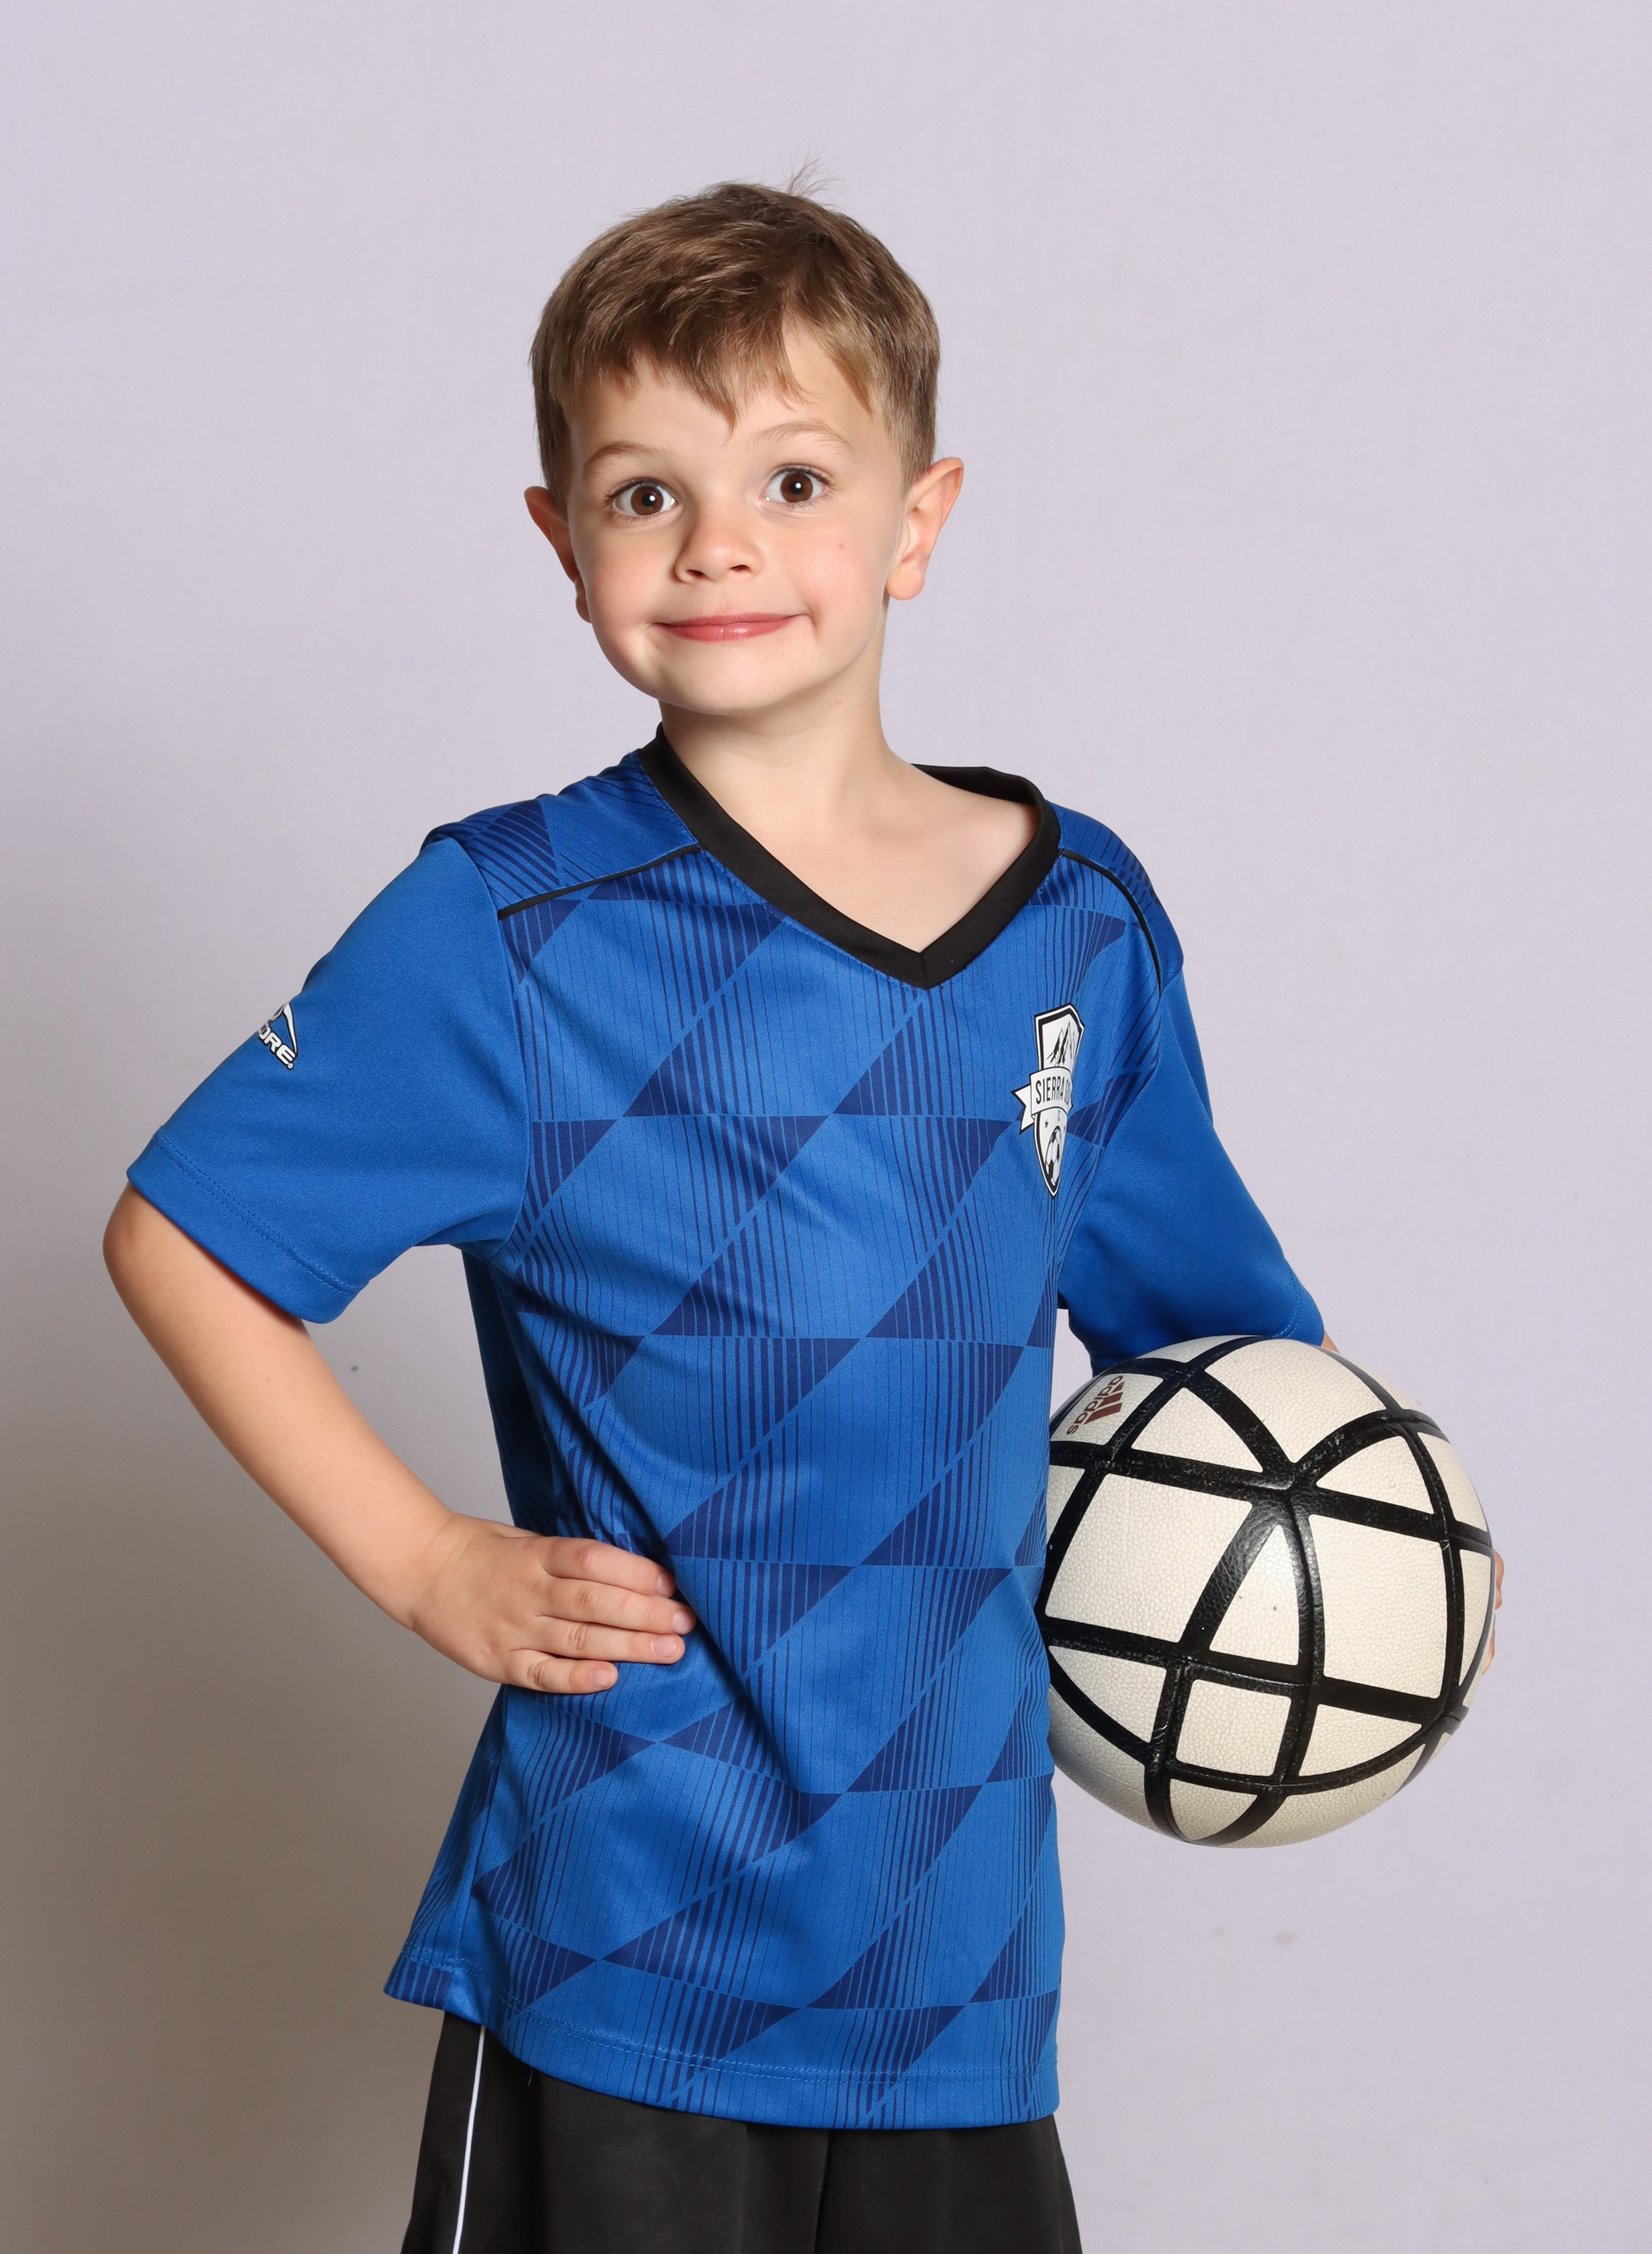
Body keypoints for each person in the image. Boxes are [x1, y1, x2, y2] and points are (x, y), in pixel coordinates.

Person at [105, 182, 1329, 2254]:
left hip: (954, 1962)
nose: (717, 544)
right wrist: (424, 1558)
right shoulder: (510, 926)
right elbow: (183, 1234)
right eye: (644, 492)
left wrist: (1357, 1578)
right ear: (560, 540)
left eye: (793, 479)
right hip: (626, 1938)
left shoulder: (1080, 925)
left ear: (920, 518)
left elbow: (1227, 1372)